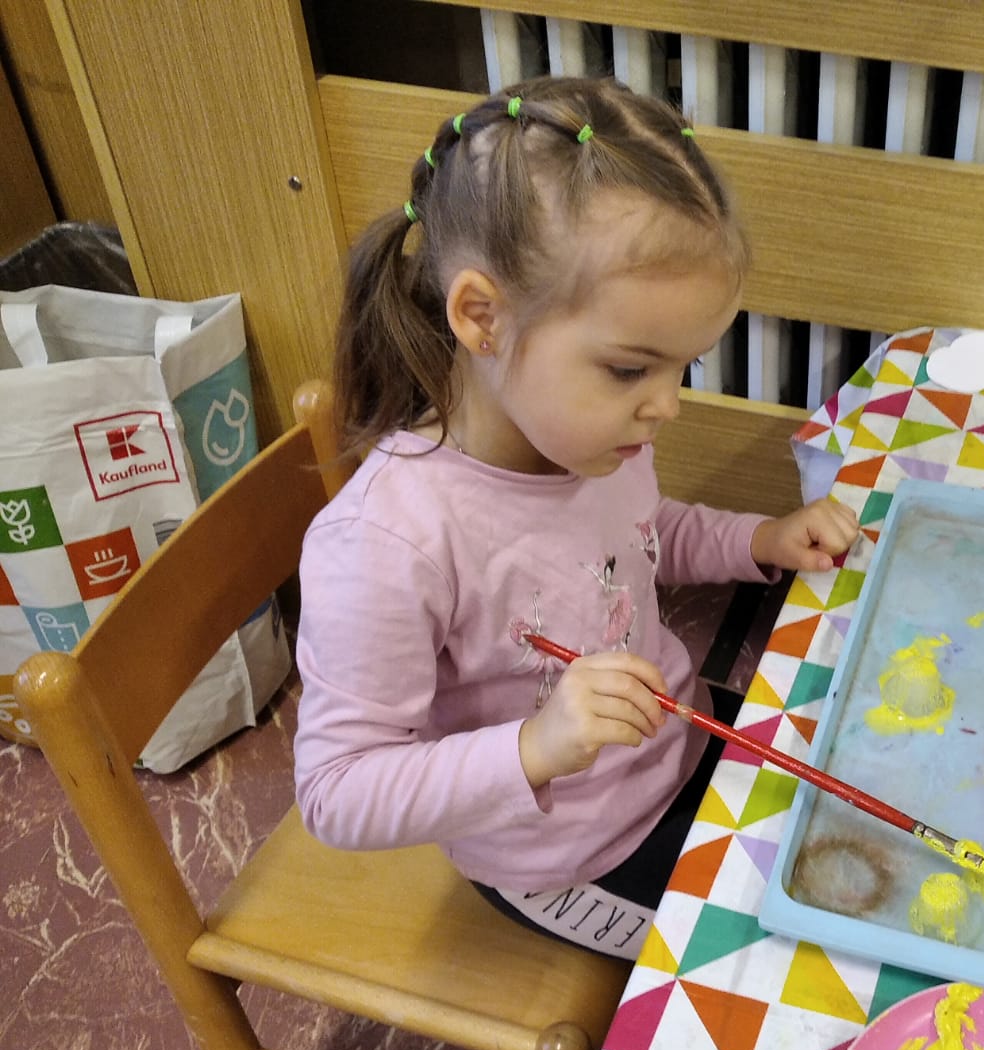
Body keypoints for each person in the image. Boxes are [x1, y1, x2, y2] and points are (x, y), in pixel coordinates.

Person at [293, 76, 858, 961]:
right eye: (632, 369)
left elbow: (640, 537)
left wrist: (758, 539)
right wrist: (537, 745)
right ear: (482, 318)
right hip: (569, 858)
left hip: (677, 744)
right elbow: (337, 792)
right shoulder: (385, 542)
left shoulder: (594, 441)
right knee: (799, 961)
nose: (666, 406)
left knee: (857, 808)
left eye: (681, 368)